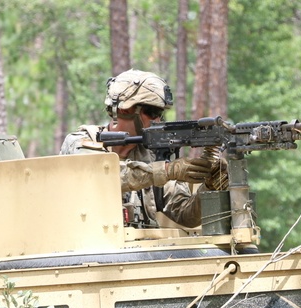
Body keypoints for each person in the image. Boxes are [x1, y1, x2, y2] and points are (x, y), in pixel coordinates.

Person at [60, 69, 218, 229]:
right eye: (152, 112)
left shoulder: (150, 155)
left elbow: (185, 214)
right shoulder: (81, 142)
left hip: (140, 252)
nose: (157, 119)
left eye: (160, 113)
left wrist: (210, 186)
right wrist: (166, 171)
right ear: (125, 110)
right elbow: (102, 177)